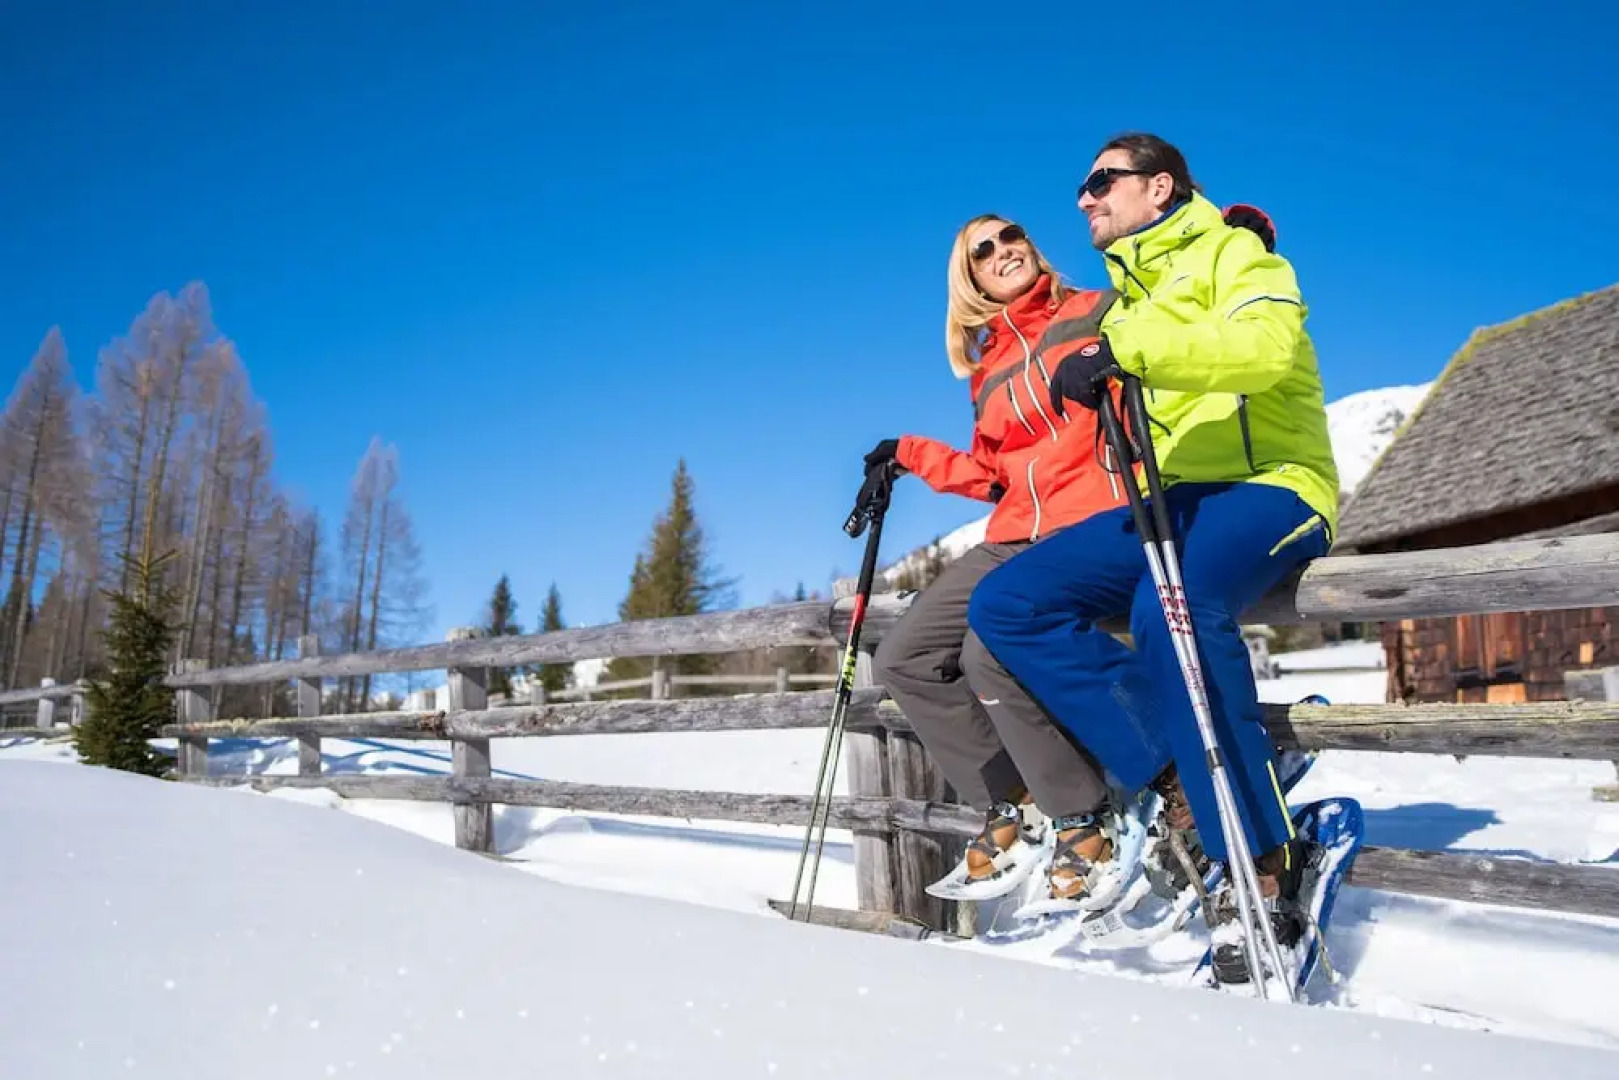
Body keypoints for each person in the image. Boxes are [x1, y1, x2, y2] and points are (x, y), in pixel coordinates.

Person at [965, 132, 1338, 982]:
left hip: (1273, 483)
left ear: (1159, 186)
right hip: (1172, 499)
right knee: (1009, 605)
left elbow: (1261, 352)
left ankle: (1257, 857)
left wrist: (1124, 353)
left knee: (1165, 610)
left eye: (1101, 181)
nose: (1084, 198)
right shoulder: (1126, 296)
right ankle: (1176, 768)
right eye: (1082, 187)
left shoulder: (1238, 254)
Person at [860, 202, 1282, 908]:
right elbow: (994, 473)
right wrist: (910, 455)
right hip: (1014, 532)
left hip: (1099, 518)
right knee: (904, 656)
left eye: (1009, 237)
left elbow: (1175, 317)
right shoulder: (987, 368)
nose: (1002, 251)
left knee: (984, 652)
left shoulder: (1097, 309)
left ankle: (1092, 810)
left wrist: (1229, 237)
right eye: (982, 252)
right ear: (971, 284)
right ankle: (1014, 800)